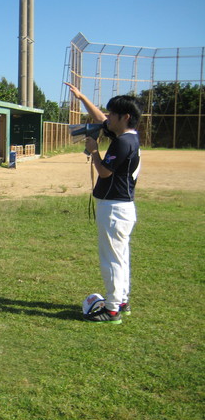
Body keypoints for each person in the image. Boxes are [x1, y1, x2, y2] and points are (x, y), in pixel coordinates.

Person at [66, 82, 142, 324]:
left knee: (111, 259)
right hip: (121, 207)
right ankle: (121, 301)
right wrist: (81, 98)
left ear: (125, 117)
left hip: (114, 208)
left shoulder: (122, 142)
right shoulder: (128, 137)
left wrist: (94, 151)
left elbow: (105, 172)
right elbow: (101, 120)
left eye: (112, 114)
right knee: (120, 257)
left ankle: (111, 309)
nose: (108, 117)